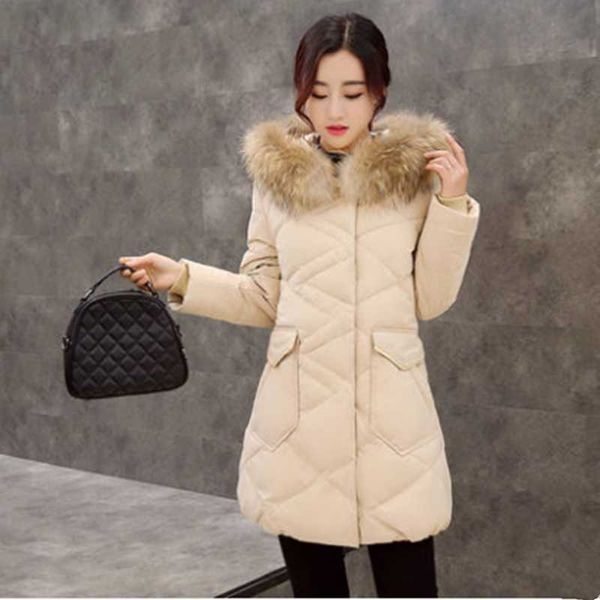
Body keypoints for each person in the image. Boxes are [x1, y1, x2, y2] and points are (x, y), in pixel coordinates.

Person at [118, 12, 480, 598]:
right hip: (299, 424)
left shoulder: (415, 175)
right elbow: (264, 296)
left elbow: (430, 300)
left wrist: (452, 205)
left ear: (379, 94)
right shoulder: (277, 178)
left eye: (352, 93)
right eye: (318, 92)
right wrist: (180, 276)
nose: (334, 110)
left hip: (392, 426)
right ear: (301, 93)